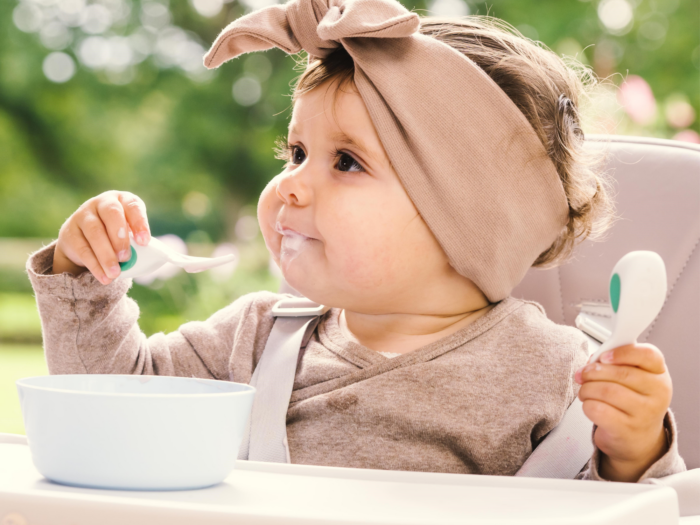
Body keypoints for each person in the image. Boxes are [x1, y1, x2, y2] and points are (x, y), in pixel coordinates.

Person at [26, 0, 685, 483]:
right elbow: (111, 406)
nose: (290, 186)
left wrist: (630, 451)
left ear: (462, 224)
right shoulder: (255, 338)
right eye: (295, 151)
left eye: (346, 162)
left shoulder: (558, 373)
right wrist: (85, 276)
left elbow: (622, 513)